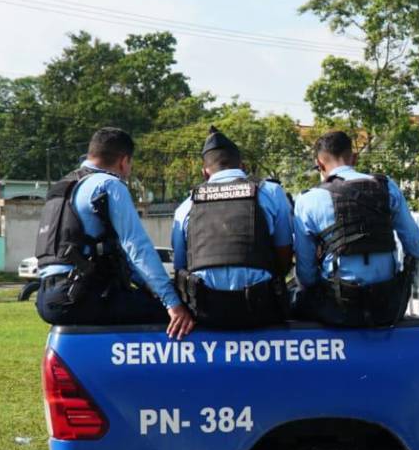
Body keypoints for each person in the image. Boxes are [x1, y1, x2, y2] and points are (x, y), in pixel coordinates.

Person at [35, 127, 194, 339]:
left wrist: (148, 286)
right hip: (82, 296)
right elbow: (137, 248)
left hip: (47, 296)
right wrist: (172, 303)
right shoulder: (109, 184)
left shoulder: (63, 187)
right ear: (124, 160)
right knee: (182, 315)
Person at [292, 130, 419, 326]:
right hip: (387, 307)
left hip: (338, 311)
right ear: (354, 158)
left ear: (320, 164)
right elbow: (418, 248)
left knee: (295, 301)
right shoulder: (386, 186)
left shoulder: (308, 200)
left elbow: (306, 276)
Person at [170, 127, 294, 328]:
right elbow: (284, 252)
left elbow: (180, 266)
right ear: (242, 166)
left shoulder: (186, 207)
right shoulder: (271, 192)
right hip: (261, 310)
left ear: (205, 172)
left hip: (206, 313)